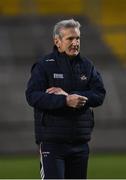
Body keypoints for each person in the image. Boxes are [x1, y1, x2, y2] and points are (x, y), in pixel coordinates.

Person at [25, 19, 106, 179]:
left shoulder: (87, 66)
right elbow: (32, 96)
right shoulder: (43, 65)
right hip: (52, 144)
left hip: (80, 143)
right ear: (57, 41)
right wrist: (65, 101)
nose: (75, 42)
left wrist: (71, 96)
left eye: (77, 38)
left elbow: (99, 94)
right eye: (70, 38)